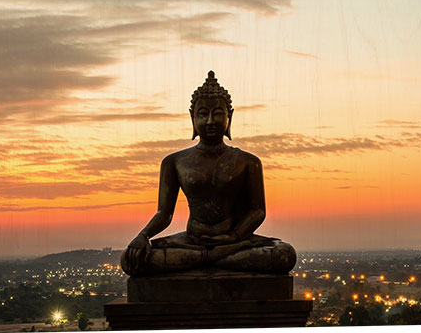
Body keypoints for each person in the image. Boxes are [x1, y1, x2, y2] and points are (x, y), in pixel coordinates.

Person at [121, 71, 296, 276]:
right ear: (192, 118)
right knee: (130, 259)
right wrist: (143, 235)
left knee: (285, 254)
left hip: (234, 239)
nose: (211, 121)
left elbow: (257, 211)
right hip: (192, 241)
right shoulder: (174, 162)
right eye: (203, 113)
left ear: (229, 118)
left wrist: (234, 237)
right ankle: (215, 258)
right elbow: (164, 213)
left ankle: (204, 260)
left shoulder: (248, 162)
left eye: (219, 114)